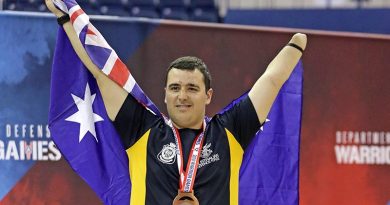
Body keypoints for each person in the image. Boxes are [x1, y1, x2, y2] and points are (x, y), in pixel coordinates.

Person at [45, 0, 307, 204]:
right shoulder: (142, 129)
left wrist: (296, 46)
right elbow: (101, 72)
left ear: (208, 96)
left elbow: (271, 81)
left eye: (192, 88)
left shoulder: (229, 131)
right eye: (175, 88)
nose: (182, 95)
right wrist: (67, 18)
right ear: (165, 94)